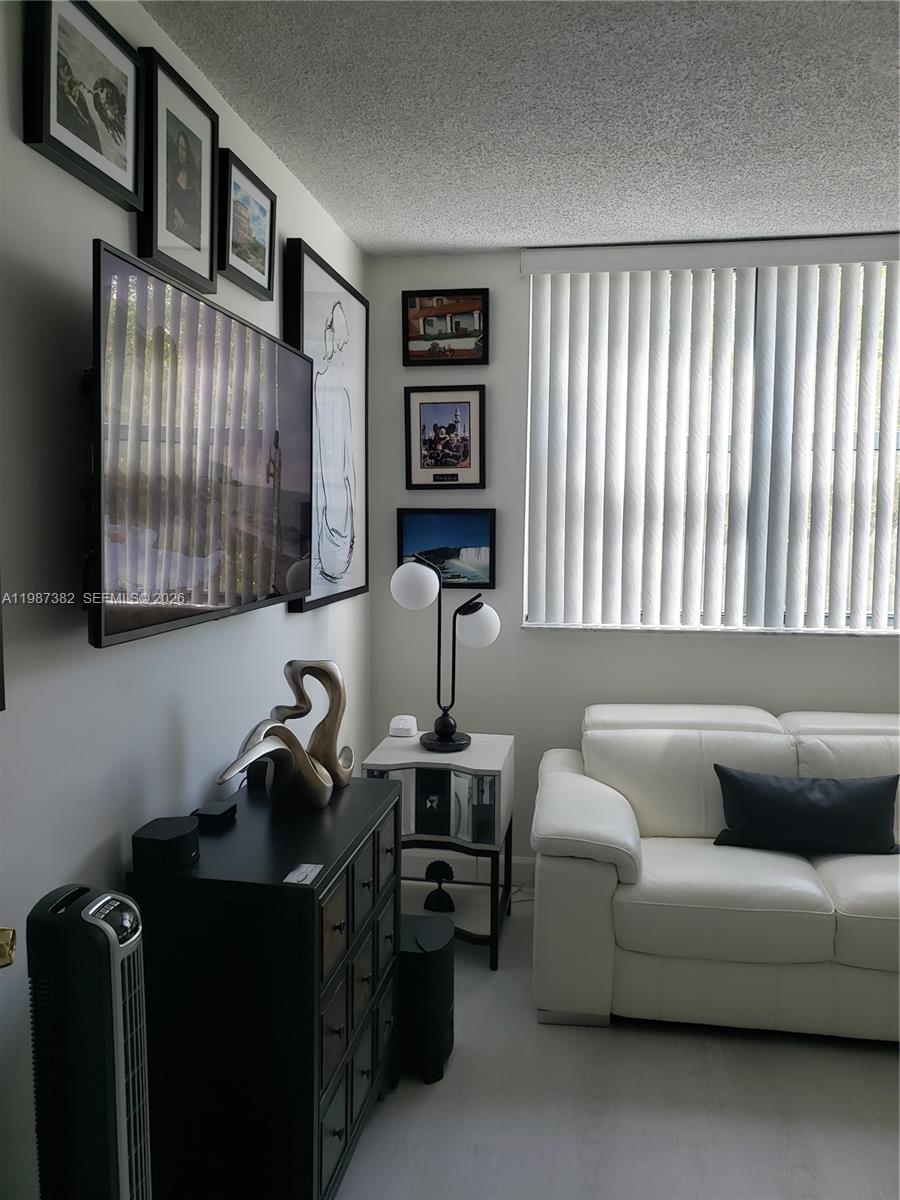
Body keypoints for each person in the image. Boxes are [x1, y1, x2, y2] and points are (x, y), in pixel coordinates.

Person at [56, 52, 101, 152]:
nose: (66, 70)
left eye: (67, 67)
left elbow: (88, 119)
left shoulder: (77, 93)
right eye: (62, 68)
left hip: (90, 142)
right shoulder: (58, 97)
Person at [166, 127, 201, 250]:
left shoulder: (195, 182)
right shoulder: (171, 173)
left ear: (188, 152)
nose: (181, 153)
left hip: (188, 236)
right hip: (172, 230)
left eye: (184, 149)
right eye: (179, 147)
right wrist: (174, 212)